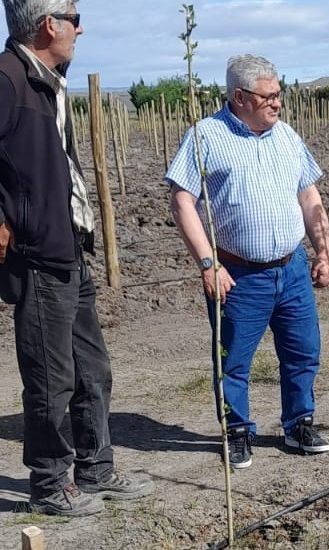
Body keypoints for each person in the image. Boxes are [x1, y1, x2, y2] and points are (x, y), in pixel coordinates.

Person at [0, 0, 153, 516]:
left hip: (70, 250)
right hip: (38, 254)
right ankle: (49, 485)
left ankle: (95, 468)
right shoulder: (6, 82)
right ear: (48, 25)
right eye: (73, 16)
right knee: (49, 378)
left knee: (93, 371)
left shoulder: (49, 80)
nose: (80, 28)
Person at [166, 54, 329, 469]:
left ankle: (299, 424)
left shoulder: (287, 137)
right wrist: (208, 264)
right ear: (240, 97)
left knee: (303, 350)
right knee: (233, 359)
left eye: (280, 94)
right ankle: (237, 431)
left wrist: (323, 251)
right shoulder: (205, 137)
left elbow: (309, 197)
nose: (278, 103)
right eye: (269, 96)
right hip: (238, 274)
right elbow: (182, 201)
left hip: (291, 267)